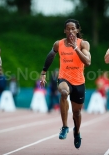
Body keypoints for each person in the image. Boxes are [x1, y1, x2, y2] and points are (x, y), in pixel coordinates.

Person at [40, 19, 91, 149]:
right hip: (64, 78)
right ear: (65, 30)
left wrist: (76, 48)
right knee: (63, 92)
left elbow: (88, 62)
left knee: (77, 113)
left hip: (79, 82)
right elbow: (51, 55)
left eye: (73, 28)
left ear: (77, 30)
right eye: (68, 29)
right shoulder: (59, 44)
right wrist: (44, 72)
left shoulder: (83, 44)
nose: (70, 31)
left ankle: (77, 132)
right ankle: (64, 126)